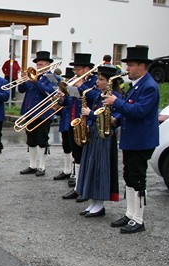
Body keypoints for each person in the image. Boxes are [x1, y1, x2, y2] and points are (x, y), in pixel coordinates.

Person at [102, 46, 160, 234]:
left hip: (141, 140)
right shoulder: (137, 85)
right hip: (131, 139)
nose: (127, 69)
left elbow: (139, 111)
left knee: (137, 178)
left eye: (131, 65)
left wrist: (115, 102)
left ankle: (139, 219)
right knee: (129, 176)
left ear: (142, 66)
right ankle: (130, 213)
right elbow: (129, 108)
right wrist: (116, 119)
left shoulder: (149, 86)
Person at [75, 65, 121, 218]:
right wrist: (87, 124)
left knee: (100, 168)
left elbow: (110, 117)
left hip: (104, 137)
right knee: (91, 167)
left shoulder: (114, 97)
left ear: (109, 82)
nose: (97, 82)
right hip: (94, 134)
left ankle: (99, 204)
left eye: (101, 79)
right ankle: (93, 202)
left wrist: (90, 114)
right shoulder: (98, 95)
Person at [59, 54, 98, 199]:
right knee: (77, 156)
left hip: (86, 123)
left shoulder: (94, 81)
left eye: (77, 69)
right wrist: (62, 99)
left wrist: (81, 85)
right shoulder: (74, 81)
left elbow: (96, 97)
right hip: (73, 122)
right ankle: (78, 187)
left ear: (87, 69)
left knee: (86, 156)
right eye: (74, 69)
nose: (75, 72)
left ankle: (86, 188)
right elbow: (69, 101)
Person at [18, 51, 58, 176]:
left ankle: (42, 166)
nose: (38, 67)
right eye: (37, 65)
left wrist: (36, 82)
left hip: (44, 113)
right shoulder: (33, 76)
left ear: (48, 65)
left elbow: (50, 92)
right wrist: (22, 79)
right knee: (31, 139)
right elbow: (21, 90)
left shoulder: (52, 78)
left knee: (42, 139)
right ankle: (32, 165)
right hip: (30, 111)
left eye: (41, 65)